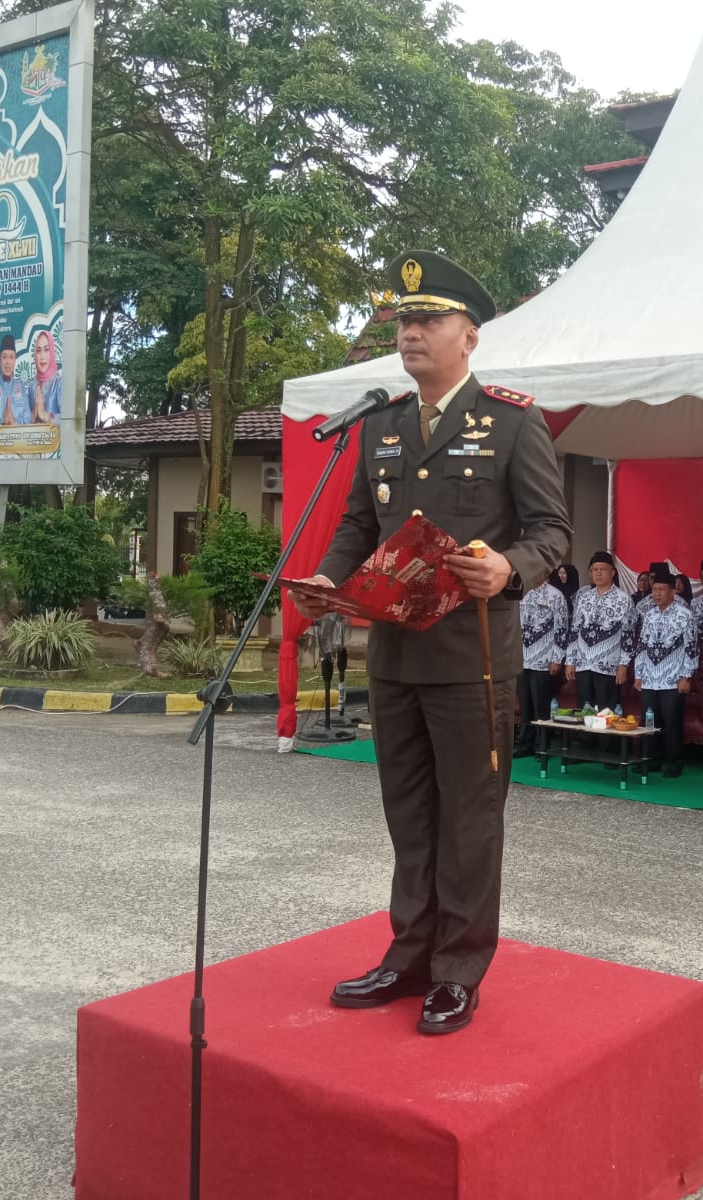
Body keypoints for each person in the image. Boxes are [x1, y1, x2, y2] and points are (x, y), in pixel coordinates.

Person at [290, 250, 571, 1035]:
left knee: (470, 820)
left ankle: (458, 968)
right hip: (394, 653)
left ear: (469, 336)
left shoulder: (513, 422)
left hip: (471, 656)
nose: (411, 333)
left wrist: (506, 568)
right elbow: (356, 524)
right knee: (409, 814)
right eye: (405, 321)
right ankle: (409, 953)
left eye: (428, 320)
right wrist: (329, 580)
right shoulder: (378, 421)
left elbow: (552, 532)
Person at [632, 566, 699, 777]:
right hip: (650, 678)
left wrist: (686, 676)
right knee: (649, 721)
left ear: (673, 591)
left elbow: (692, 647)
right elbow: (642, 646)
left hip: (672, 678)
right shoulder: (649, 615)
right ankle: (650, 759)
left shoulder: (685, 615)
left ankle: (673, 761)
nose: (657, 593)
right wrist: (638, 675)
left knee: (671, 721)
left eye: (662, 590)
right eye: (655, 589)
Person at [565, 550, 634, 711]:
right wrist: (570, 661)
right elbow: (574, 631)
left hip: (608, 665)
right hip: (583, 664)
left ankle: (606, 738)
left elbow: (628, 636)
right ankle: (586, 738)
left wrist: (623, 665)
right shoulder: (584, 598)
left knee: (606, 713)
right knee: (584, 712)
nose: (598, 573)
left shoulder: (623, 599)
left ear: (612, 572)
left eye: (602, 569)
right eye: (594, 569)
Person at [514, 576, 569, 758]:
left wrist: (557, 658)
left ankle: (542, 745)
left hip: (544, 658)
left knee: (541, 705)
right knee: (525, 704)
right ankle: (524, 743)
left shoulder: (555, 595)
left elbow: (562, 629)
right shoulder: (521, 592)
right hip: (521, 657)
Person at [0, 333, 34, 432]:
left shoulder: (22, 389)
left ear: (15, 360)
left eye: (11, 357)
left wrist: (13, 422)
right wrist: (3, 422)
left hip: (19, 445)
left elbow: (28, 421)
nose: (8, 362)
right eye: (4, 357)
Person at [31, 330, 62, 423]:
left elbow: (68, 419)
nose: (42, 356)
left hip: (55, 437)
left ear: (52, 352)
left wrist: (45, 415)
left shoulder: (59, 383)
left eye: (47, 349)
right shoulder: (32, 386)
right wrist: (34, 414)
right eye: (39, 351)